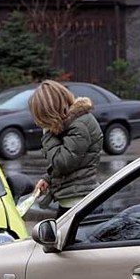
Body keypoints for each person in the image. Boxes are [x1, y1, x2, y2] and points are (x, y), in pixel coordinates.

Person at [30, 80, 103, 219]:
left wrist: (47, 135)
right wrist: (48, 178)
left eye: (43, 118)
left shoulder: (79, 125)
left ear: (52, 111)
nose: (41, 124)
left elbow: (63, 162)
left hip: (80, 204)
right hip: (73, 203)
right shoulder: (71, 123)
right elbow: (71, 164)